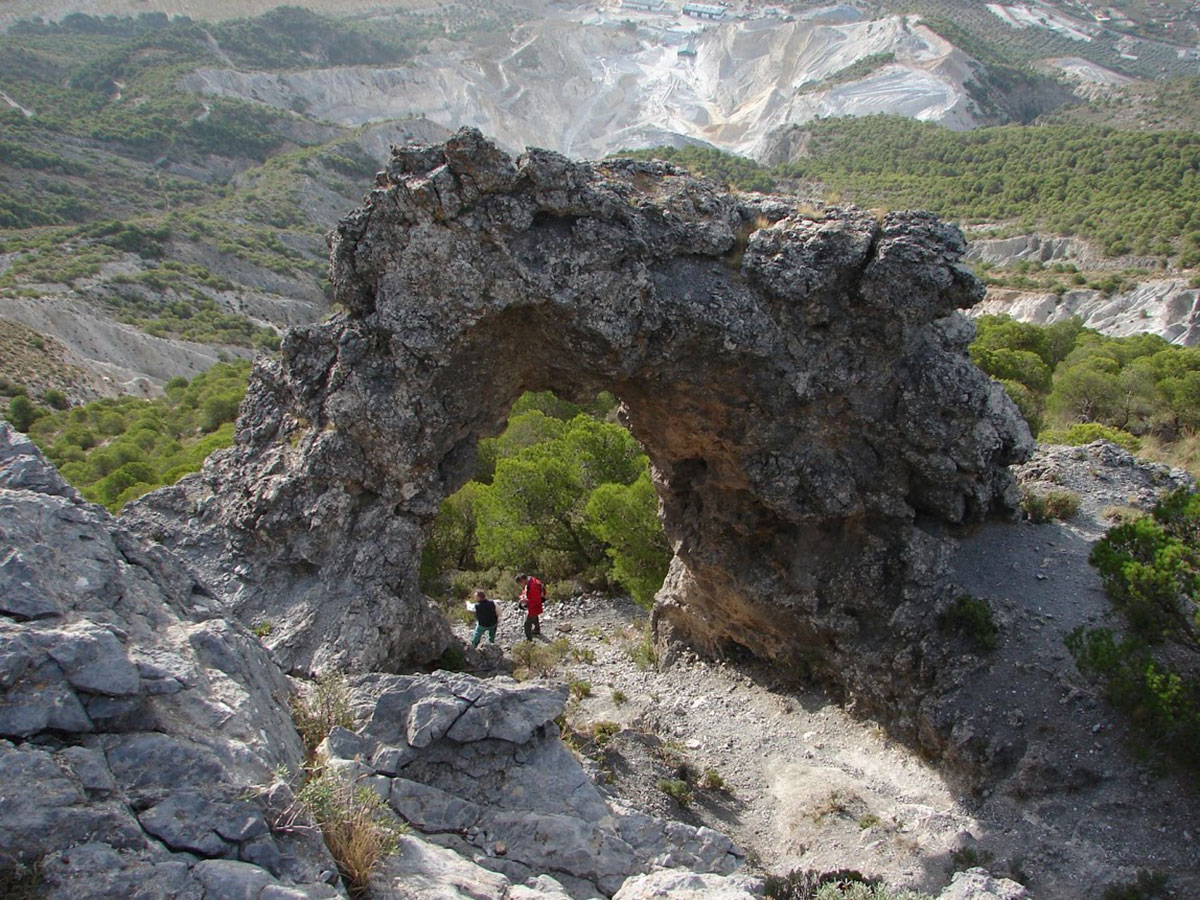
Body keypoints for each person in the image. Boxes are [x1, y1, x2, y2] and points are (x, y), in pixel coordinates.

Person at [516, 573, 543, 641]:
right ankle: (537, 630)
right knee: (535, 617)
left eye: (520, 583)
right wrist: (522, 596)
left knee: (527, 625)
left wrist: (525, 601)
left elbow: (536, 600)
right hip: (535, 606)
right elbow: (525, 590)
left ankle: (529, 641)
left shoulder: (533, 586)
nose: (520, 585)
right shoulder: (530, 581)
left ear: (523, 580)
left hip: (535, 606)